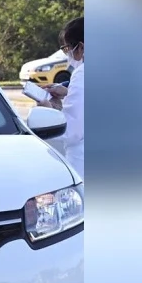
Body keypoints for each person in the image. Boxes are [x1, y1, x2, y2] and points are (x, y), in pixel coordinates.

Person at [39, 16, 83, 178]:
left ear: (81, 48)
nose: (68, 55)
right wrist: (66, 93)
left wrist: (50, 110)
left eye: (67, 49)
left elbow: (71, 132)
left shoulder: (82, 74)